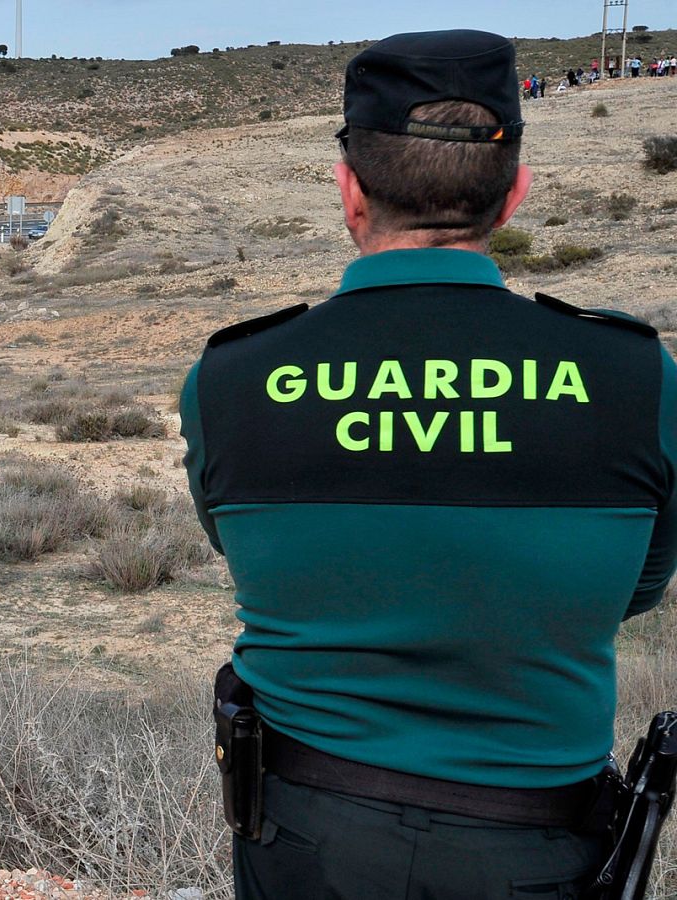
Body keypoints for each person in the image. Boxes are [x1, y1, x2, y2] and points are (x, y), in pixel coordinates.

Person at [180, 30, 674, 899]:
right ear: (514, 193)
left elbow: (246, 554)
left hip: (301, 836)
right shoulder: (638, 377)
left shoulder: (230, 378)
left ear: (349, 191)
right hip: (539, 845)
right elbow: (634, 588)